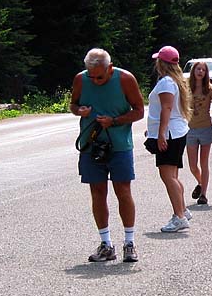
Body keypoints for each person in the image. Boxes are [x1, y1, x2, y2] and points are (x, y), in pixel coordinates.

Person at [70, 48, 144, 263]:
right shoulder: (81, 80)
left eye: (100, 77)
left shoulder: (125, 79)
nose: (95, 81)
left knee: (123, 190)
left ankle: (129, 243)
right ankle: (106, 244)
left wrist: (115, 121)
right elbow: (73, 105)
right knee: (97, 192)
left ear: (110, 68)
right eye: (91, 76)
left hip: (119, 144)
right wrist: (79, 110)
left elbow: (139, 111)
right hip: (91, 144)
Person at [146, 46, 192, 233]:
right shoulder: (175, 80)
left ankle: (179, 217)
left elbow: (166, 108)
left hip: (170, 133)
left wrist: (161, 133)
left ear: (162, 63)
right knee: (172, 176)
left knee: (167, 176)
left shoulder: (166, 82)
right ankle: (182, 209)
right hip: (176, 131)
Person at [186, 60, 212, 205]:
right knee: (193, 165)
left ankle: (204, 194)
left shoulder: (210, 89)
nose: (200, 72)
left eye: (203, 70)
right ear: (193, 71)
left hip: (206, 128)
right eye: (198, 69)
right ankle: (201, 183)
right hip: (190, 129)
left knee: (204, 163)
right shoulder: (186, 87)